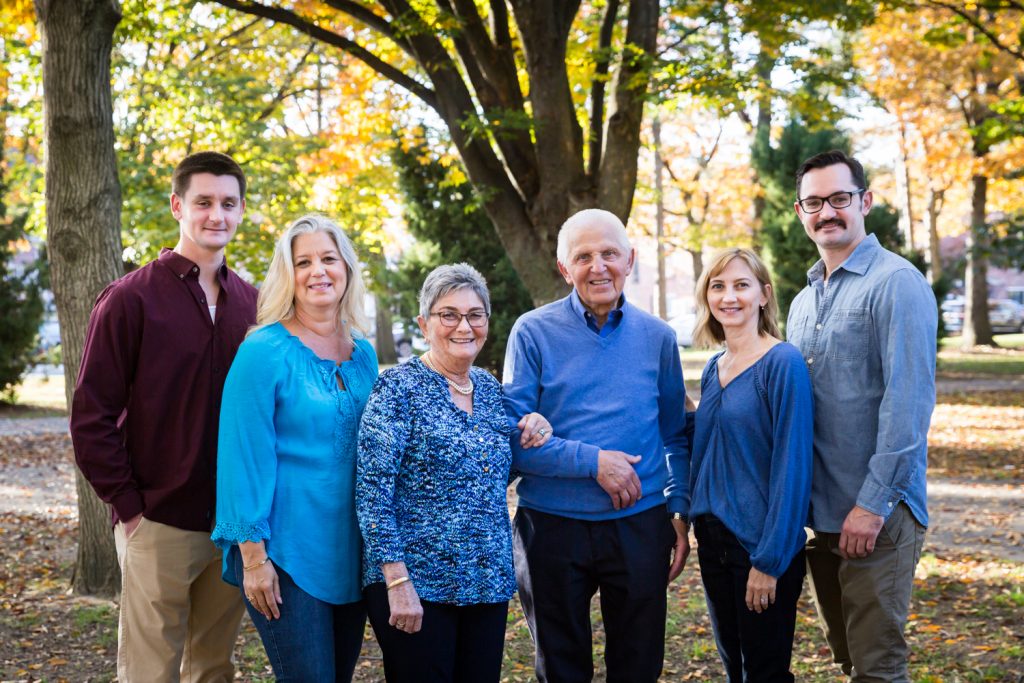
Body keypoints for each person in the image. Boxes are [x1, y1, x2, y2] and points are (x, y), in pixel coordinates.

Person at [70, 151, 257, 681]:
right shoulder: (130, 299)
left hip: (231, 524)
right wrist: (130, 508)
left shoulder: (254, 305)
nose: (216, 215)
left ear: (241, 211)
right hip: (157, 522)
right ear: (178, 206)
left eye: (228, 203)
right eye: (203, 202)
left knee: (213, 668)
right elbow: (91, 415)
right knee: (150, 672)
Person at [502, 208, 691, 683]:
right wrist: (593, 462)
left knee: (638, 665)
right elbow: (511, 440)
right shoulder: (532, 333)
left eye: (609, 253)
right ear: (565, 269)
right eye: (583, 256)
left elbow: (675, 434)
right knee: (561, 669)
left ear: (630, 259)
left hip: (639, 527)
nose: (598, 266)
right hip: (550, 528)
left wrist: (680, 510)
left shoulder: (659, 338)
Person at [356, 263, 551, 683]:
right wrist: (396, 580)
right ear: (425, 324)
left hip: (486, 581)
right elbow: (373, 492)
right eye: (449, 315)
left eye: (474, 315)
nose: (464, 326)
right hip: (417, 587)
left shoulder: (489, 387)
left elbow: (489, 473)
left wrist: (532, 432)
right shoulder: (396, 389)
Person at [788, 150, 936, 681]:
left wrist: (871, 506)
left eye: (839, 199)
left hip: (876, 518)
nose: (827, 212)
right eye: (814, 202)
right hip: (821, 518)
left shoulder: (897, 283)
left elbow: (909, 403)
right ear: (800, 211)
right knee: (851, 659)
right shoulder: (805, 299)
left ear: (865, 202)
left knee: (877, 668)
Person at [212, 215, 377, 681]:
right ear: (289, 275)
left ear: (346, 266)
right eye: (303, 262)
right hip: (284, 555)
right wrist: (254, 559)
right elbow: (242, 460)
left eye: (328, 258)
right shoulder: (263, 351)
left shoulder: (362, 351)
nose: (318, 271)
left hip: (350, 551)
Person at [688, 248, 814, 682]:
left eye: (741, 285)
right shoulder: (713, 368)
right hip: (713, 538)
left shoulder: (783, 363)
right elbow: (710, 448)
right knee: (734, 670)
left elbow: (792, 467)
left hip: (760, 544)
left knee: (765, 673)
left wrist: (770, 560)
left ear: (763, 295)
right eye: (718, 286)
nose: (729, 296)